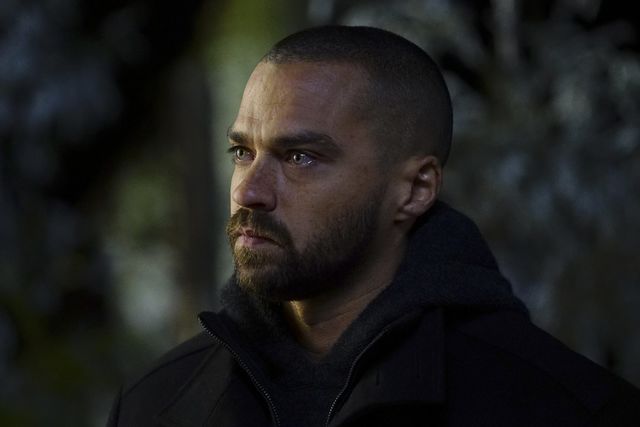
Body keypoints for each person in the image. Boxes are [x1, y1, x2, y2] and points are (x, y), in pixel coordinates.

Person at [107, 25, 640, 427]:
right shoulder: (157, 403)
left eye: (300, 157)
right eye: (243, 152)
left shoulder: (565, 407)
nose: (249, 191)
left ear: (414, 190)